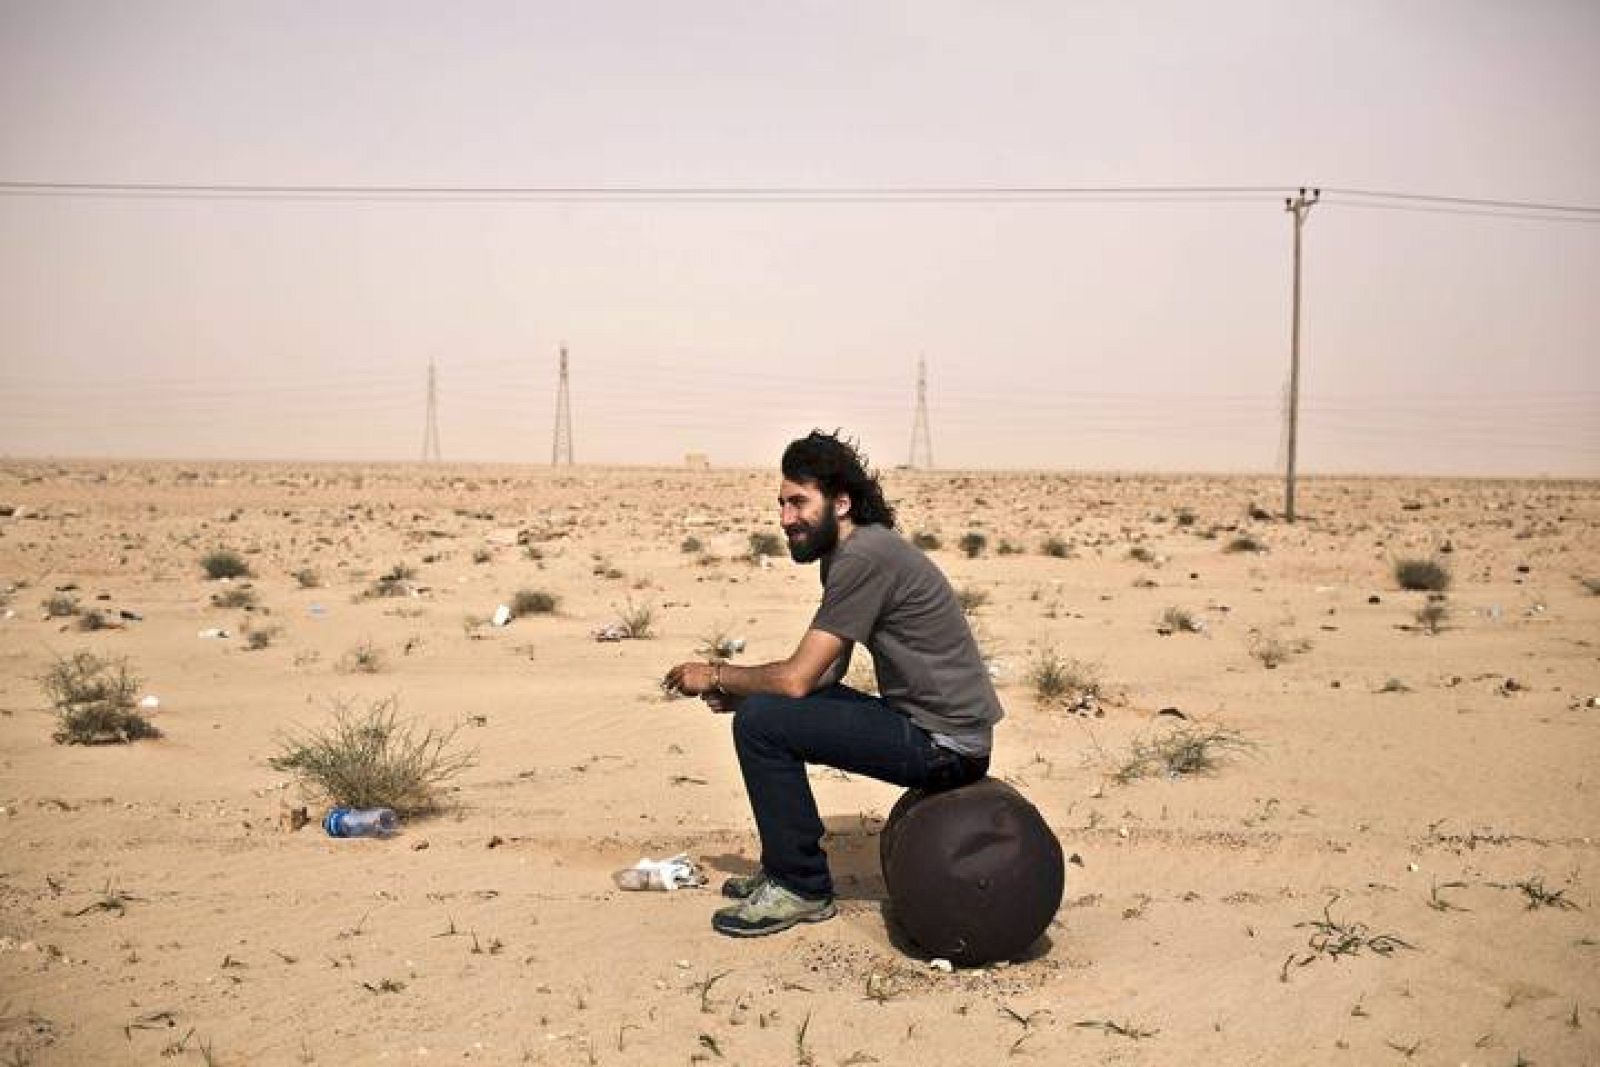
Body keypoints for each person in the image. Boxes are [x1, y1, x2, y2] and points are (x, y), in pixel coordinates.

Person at [663, 430, 1004, 937]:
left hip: (947, 746)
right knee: (764, 715)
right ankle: (787, 868)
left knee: (762, 723)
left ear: (841, 503)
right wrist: (751, 693)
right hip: (934, 730)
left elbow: (800, 678)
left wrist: (715, 674)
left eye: (798, 502)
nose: (785, 519)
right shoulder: (848, 554)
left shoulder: (865, 557)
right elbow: (829, 670)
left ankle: (800, 886)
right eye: (780, 504)